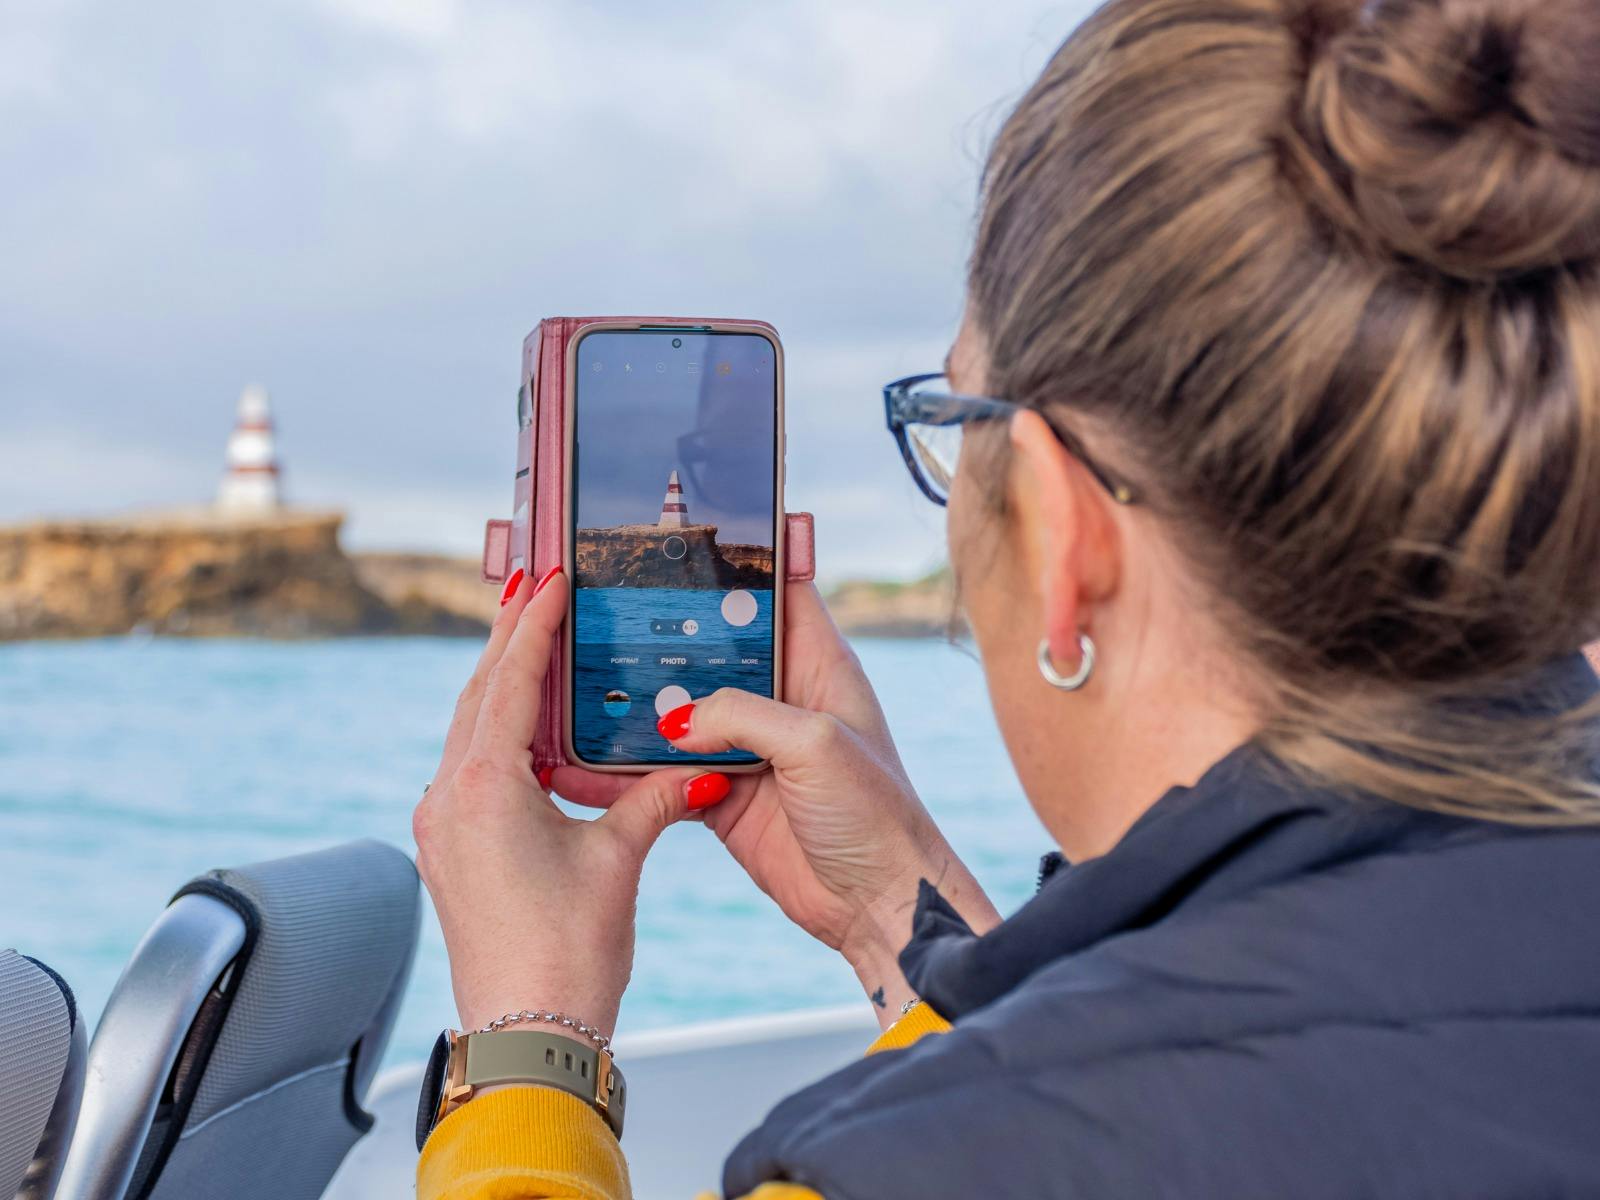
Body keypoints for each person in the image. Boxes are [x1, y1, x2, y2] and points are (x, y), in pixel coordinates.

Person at [410, 0, 1600, 1193]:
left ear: (1063, 529)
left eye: (950, 421)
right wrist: (900, 914)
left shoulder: (922, 1170)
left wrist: (529, 1043)